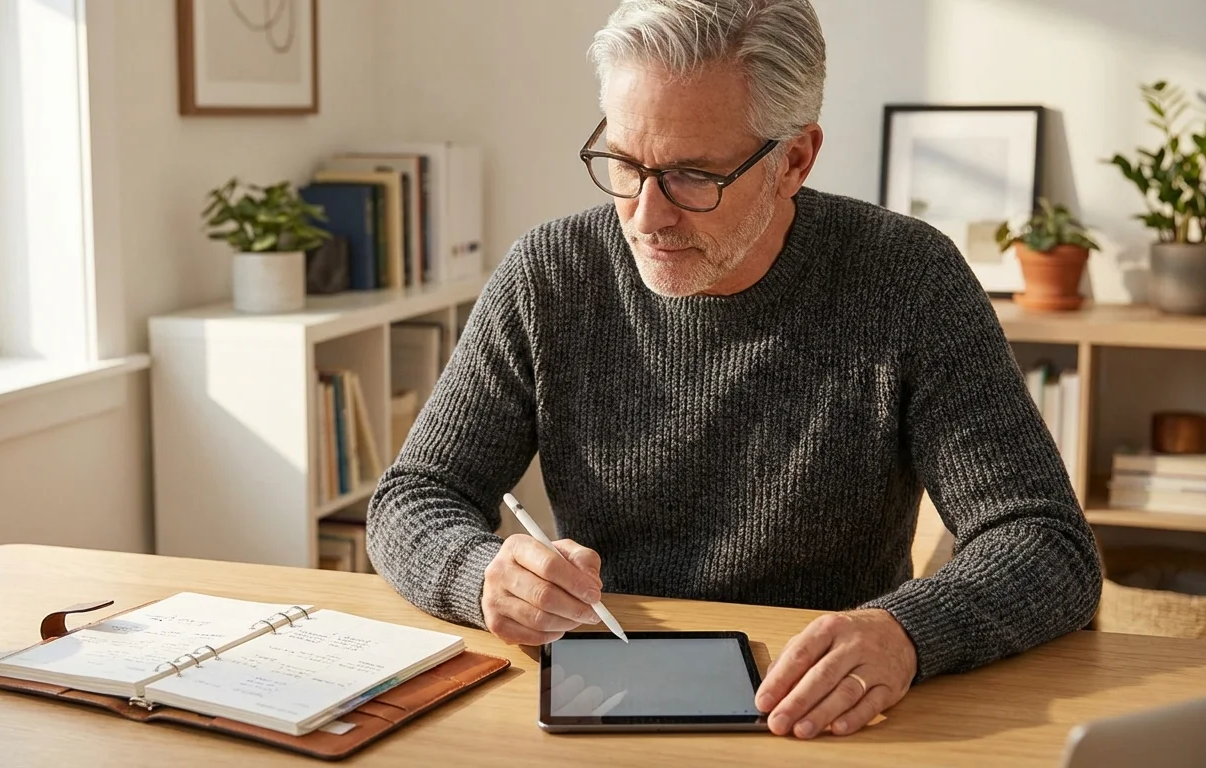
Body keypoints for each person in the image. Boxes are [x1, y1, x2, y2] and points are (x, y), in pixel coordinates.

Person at [365, 0, 1102, 740]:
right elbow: (414, 498)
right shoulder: (550, 274)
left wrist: (905, 633)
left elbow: (1045, 541)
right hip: (607, 693)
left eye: (691, 176)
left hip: (817, 711)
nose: (646, 216)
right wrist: (480, 573)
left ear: (794, 160)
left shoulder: (906, 278)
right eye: (623, 163)